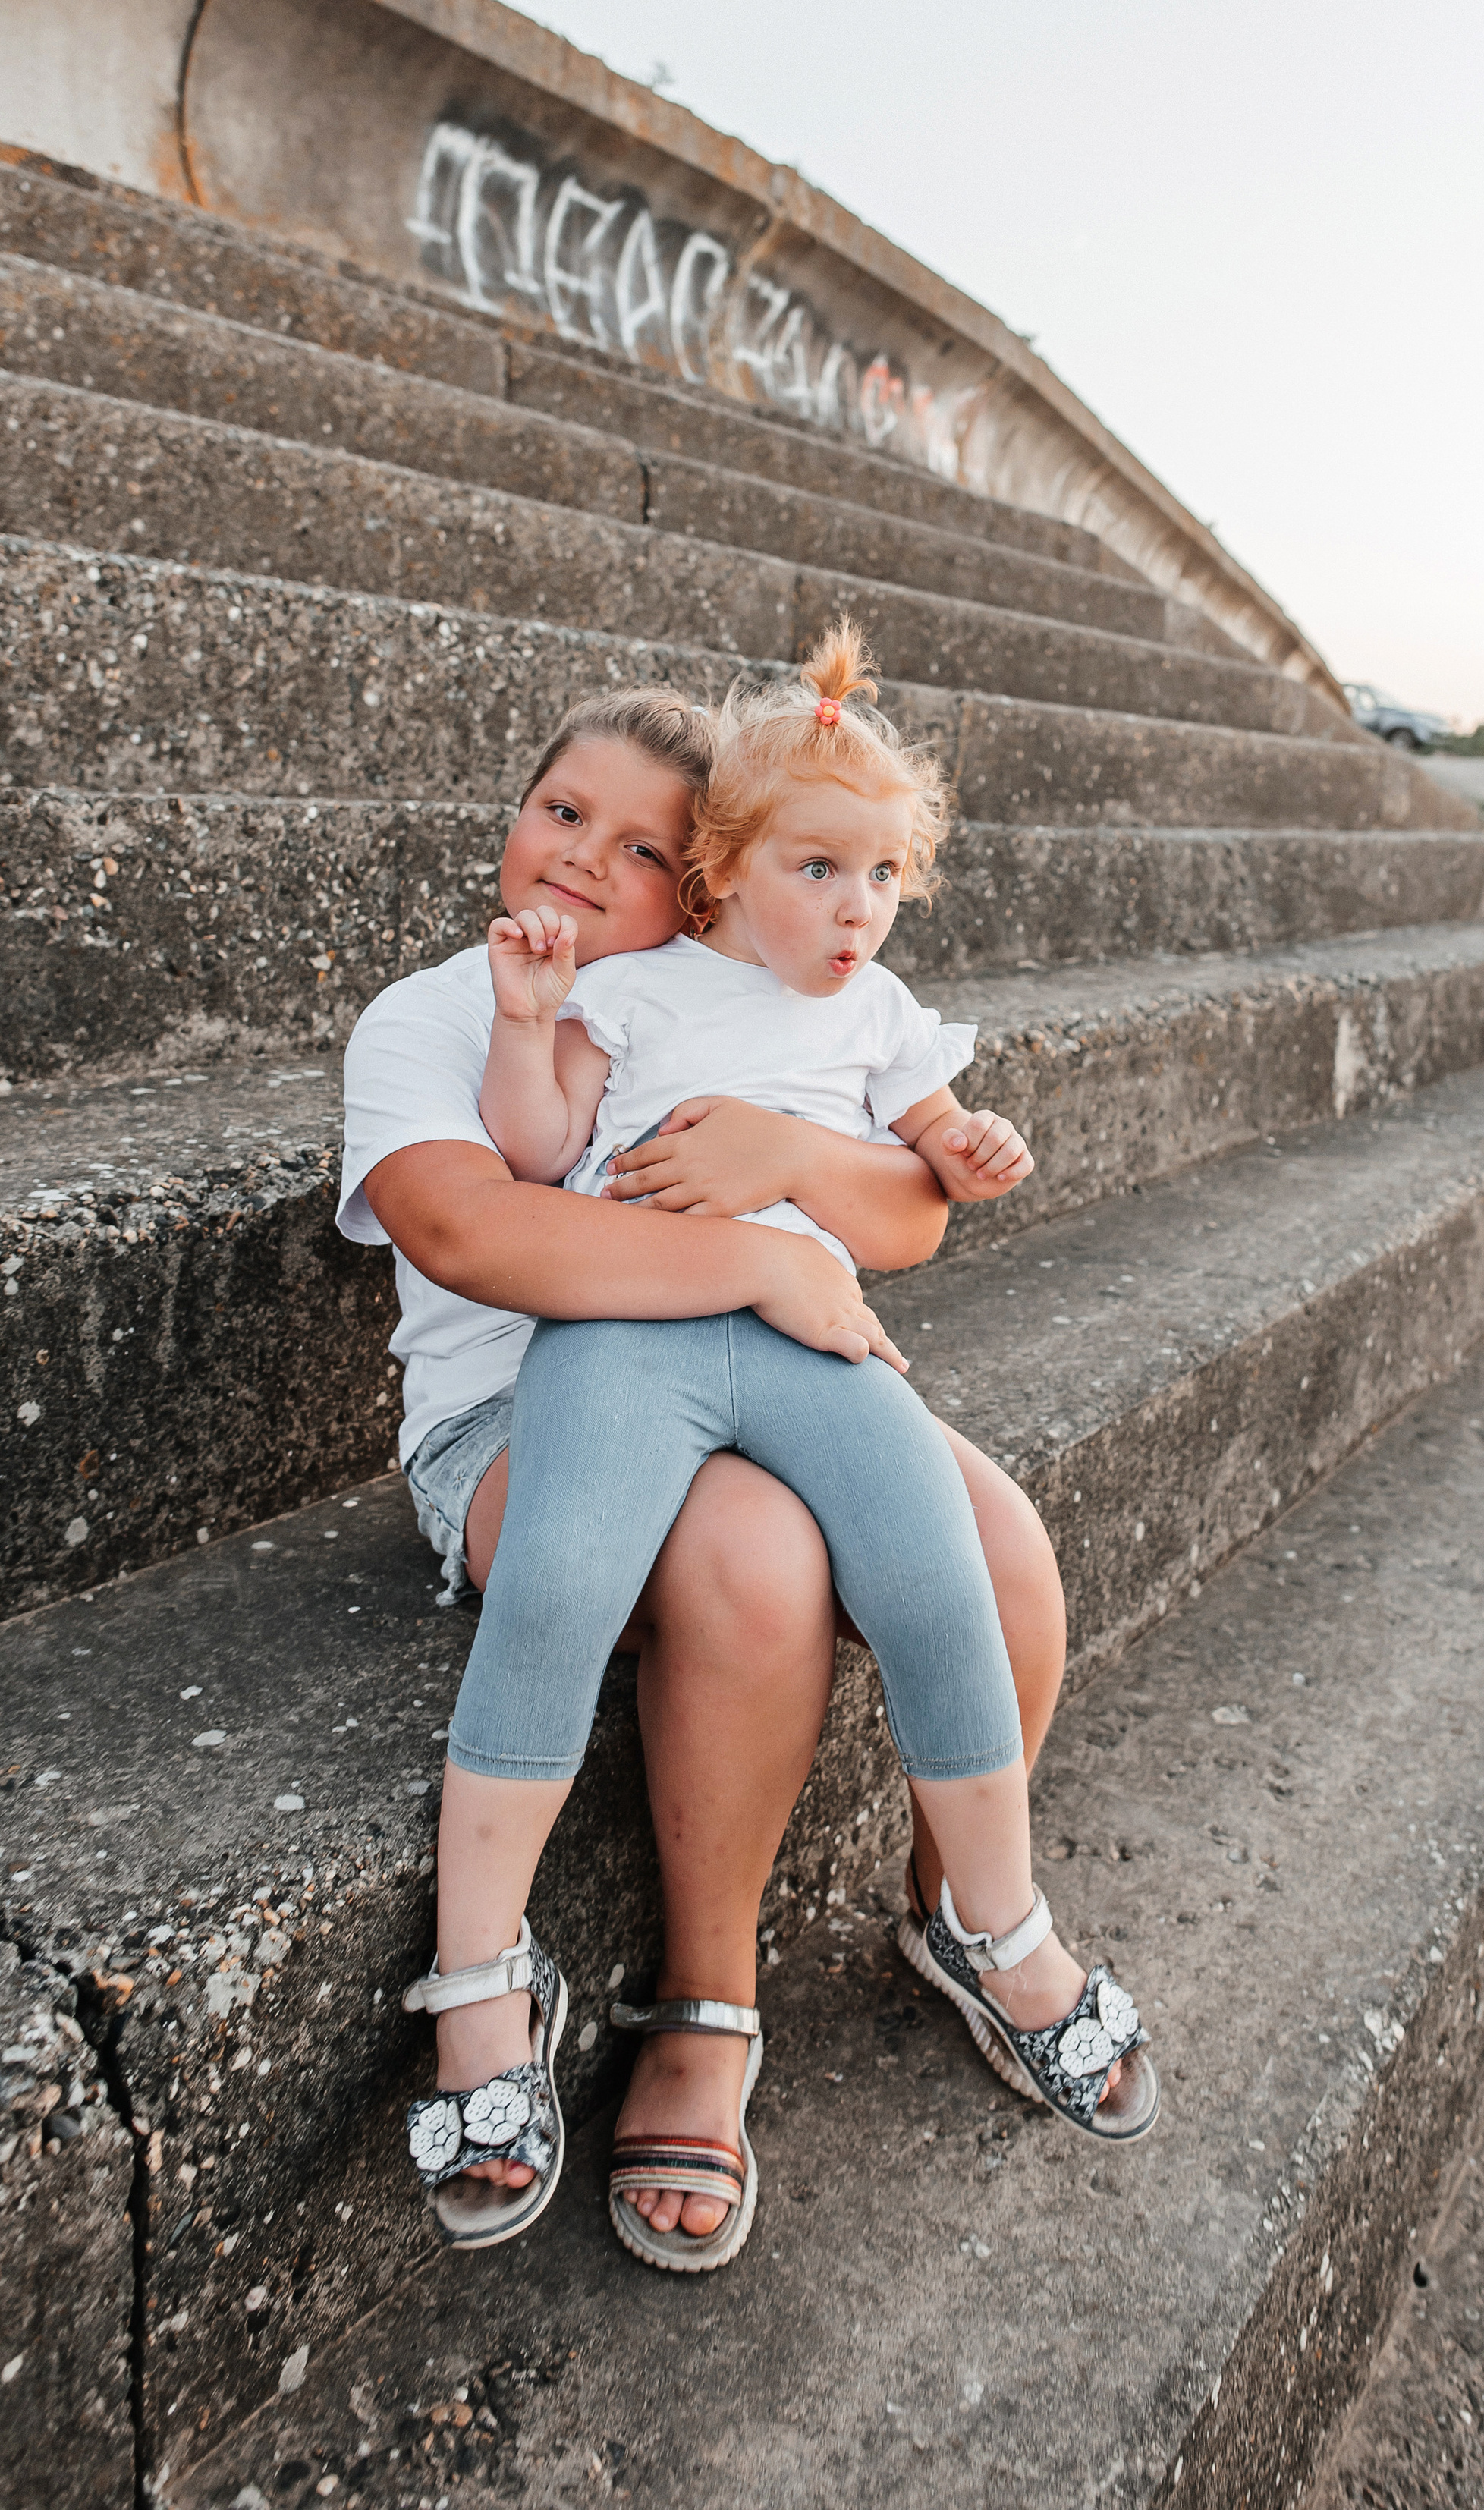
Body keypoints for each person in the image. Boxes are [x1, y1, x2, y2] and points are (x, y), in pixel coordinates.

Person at [443, 625, 1157, 2266]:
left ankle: (999, 1926)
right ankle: (477, 1979)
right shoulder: (630, 988)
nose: (854, 907)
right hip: (623, 1340)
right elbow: (537, 1150)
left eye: (883, 874)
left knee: (934, 1574)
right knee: (554, 1582)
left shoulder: (880, 1013)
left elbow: (920, 1169)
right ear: (723, 873)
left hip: (814, 1337)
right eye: (817, 868)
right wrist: (524, 1018)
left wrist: (970, 1145)